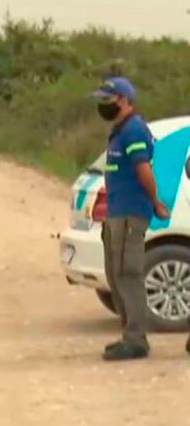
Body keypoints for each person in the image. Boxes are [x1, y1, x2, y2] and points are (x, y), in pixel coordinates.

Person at [93, 76, 170, 361]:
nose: (103, 106)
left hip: (130, 212)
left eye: (108, 100)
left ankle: (136, 339)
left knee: (128, 274)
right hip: (116, 212)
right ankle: (128, 334)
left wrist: (154, 201)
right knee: (116, 275)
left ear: (124, 101)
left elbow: (143, 170)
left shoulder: (134, 130)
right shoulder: (119, 130)